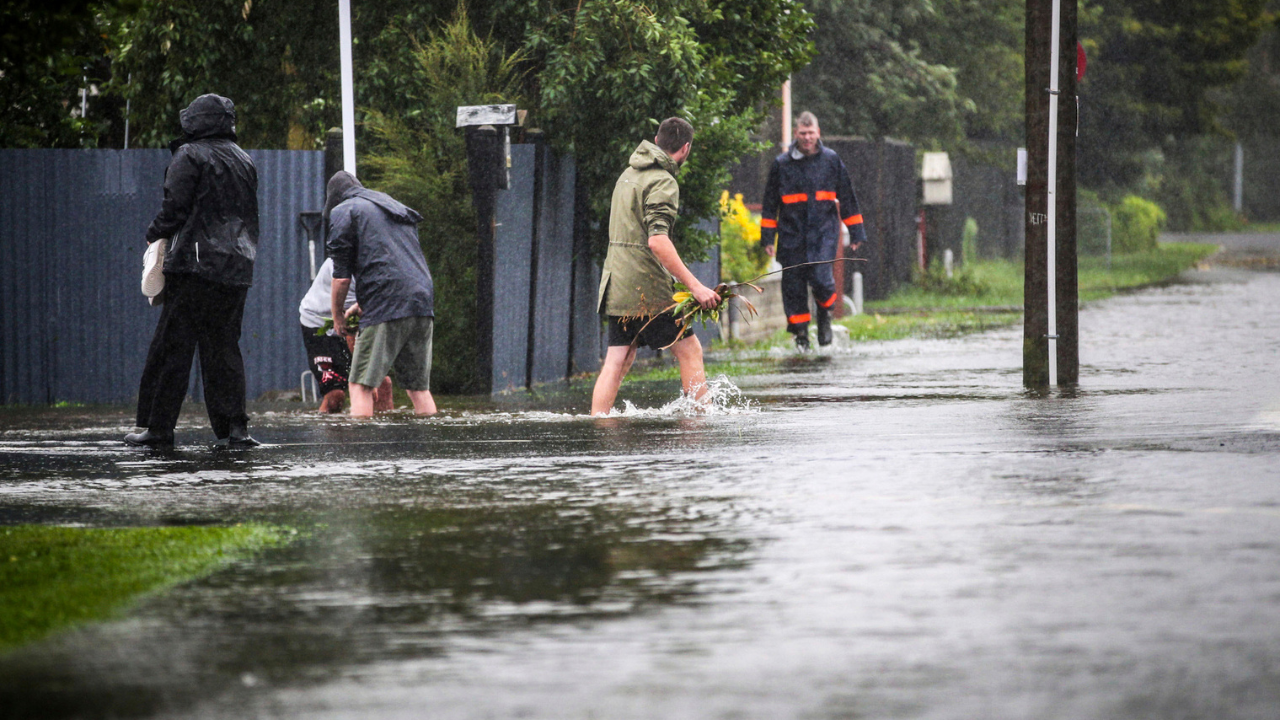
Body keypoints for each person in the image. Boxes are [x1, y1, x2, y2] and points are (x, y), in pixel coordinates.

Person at [125, 94, 260, 448]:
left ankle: (157, 427)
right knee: (223, 348)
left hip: (194, 266)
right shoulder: (245, 160)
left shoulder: (190, 155)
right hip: (236, 267)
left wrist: (154, 233)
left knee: (173, 347)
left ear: (197, 122)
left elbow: (175, 207)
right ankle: (235, 429)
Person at [591, 117, 719, 416]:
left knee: (618, 360)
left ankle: (598, 424)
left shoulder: (627, 175)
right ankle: (700, 421)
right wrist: (696, 287)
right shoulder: (663, 181)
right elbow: (657, 241)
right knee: (690, 350)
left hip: (617, 283)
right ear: (685, 149)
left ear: (656, 140)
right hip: (645, 287)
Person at [325, 171, 437, 417]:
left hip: (387, 301)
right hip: (421, 299)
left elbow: (342, 278)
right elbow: (393, 266)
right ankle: (428, 444)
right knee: (419, 389)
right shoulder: (389, 205)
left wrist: (337, 316)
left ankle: (362, 450)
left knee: (359, 384)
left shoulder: (344, 210)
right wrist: (363, 304)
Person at [760, 111, 867, 350]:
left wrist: (856, 231)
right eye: (803, 133)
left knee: (822, 281)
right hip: (791, 237)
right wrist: (768, 238)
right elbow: (769, 205)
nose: (807, 138)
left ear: (818, 133)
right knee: (794, 289)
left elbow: (847, 197)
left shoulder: (831, 161)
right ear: (796, 134)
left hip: (823, 235)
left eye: (811, 133)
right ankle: (801, 337)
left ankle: (824, 315)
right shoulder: (781, 164)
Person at [298, 257, 393, 413]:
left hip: (348, 322)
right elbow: (352, 332)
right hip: (318, 325)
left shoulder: (379, 263)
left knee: (383, 385)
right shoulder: (343, 270)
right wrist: (367, 375)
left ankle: (382, 434)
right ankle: (326, 434)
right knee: (336, 396)